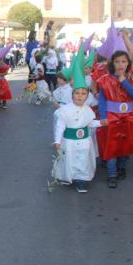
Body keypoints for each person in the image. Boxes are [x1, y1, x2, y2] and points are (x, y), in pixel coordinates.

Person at [98, 50, 133, 188]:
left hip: (128, 118)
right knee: (111, 146)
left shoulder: (131, 79)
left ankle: (122, 168)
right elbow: (102, 99)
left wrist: (123, 81)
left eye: (124, 61)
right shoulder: (105, 80)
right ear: (112, 63)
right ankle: (112, 174)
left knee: (125, 145)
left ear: (128, 64)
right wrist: (103, 116)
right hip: (111, 118)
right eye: (117, 61)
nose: (120, 64)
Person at [52, 61, 103, 193]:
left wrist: (101, 123)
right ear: (72, 94)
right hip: (69, 141)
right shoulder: (65, 110)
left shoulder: (87, 110)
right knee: (70, 159)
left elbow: (90, 123)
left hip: (84, 141)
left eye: (83, 93)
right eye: (77, 93)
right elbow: (60, 125)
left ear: (87, 96)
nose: (80, 96)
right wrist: (57, 141)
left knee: (83, 159)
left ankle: (81, 181)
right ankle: (69, 177)